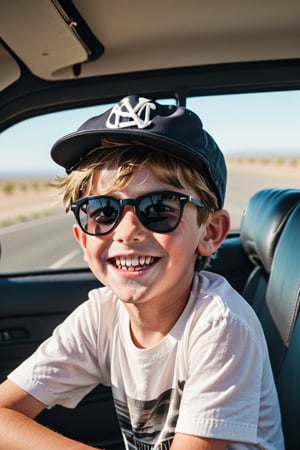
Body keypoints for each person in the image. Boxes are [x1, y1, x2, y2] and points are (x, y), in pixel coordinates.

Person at [0, 95, 284, 450]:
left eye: (159, 208)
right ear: (82, 237)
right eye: (102, 211)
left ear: (210, 233)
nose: (126, 231)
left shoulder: (220, 325)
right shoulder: (101, 315)